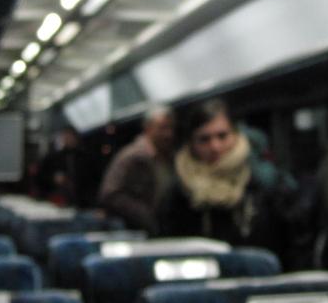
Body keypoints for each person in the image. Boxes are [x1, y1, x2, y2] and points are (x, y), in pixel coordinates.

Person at [157, 98, 309, 266]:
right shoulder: (178, 195)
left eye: (222, 136)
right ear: (191, 144)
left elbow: (294, 242)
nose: (215, 146)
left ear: (236, 135)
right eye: (204, 139)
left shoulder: (267, 183)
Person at [97, 105, 177, 233]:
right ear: (148, 128)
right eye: (162, 128)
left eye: (170, 128)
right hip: (133, 230)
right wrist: (146, 217)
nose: (168, 134)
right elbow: (110, 194)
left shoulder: (168, 156)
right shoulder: (132, 156)